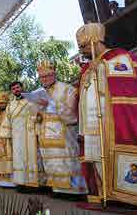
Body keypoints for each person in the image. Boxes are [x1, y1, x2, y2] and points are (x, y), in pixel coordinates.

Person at [76, 23, 137, 204]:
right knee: (96, 159)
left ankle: (127, 196)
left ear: (94, 41)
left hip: (112, 123)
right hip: (92, 127)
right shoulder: (88, 69)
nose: (81, 51)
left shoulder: (119, 59)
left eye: (83, 46)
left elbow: (130, 90)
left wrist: (101, 70)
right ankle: (105, 192)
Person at [34, 60, 87, 195]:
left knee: (67, 161)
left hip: (64, 135)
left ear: (54, 75)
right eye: (41, 77)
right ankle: (57, 189)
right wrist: (38, 115)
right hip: (46, 136)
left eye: (46, 76)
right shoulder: (39, 92)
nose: (44, 80)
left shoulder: (67, 89)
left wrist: (50, 105)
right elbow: (36, 114)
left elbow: (72, 113)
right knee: (51, 163)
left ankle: (74, 191)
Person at [3, 81, 42, 190]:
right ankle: (20, 183)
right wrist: (7, 136)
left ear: (22, 87)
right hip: (16, 136)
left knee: (31, 157)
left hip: (29, 133)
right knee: (18, 158)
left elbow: (37, 114)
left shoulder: (30, 100)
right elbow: (7, 120)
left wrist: (36, 121)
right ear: (12, 91)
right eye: (14, 88)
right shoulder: (10, 105)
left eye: (18, 87)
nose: (16, 90)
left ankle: (32, 184)